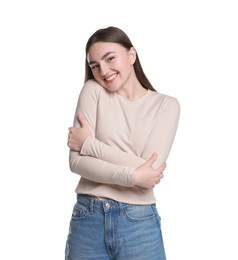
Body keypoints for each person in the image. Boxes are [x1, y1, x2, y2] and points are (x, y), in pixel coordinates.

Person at [65, 26, 180, 260]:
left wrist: (89, 144)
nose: (103, 70)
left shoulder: (166, 106)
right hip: (88, 218)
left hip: (138, 222)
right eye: (94, 65)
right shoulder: (92, 91)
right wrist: (133, 176)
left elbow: (150, 170)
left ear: (131, 55)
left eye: (110, 59)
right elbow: (77, 163)